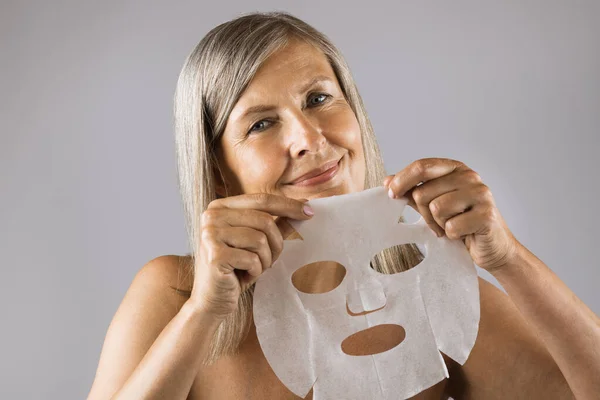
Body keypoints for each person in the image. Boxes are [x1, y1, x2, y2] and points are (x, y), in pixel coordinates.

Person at [87, 11, 599, 400]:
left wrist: (507, 259)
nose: (309, 138)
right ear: (219, 166)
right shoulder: (173, 295)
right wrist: (204, 313)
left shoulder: (431, 288)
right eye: (261, 124)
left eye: (318, 99)